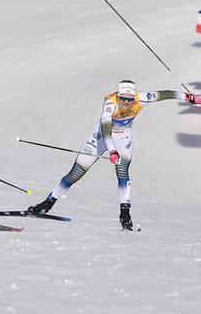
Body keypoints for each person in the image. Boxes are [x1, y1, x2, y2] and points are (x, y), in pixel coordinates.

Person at [27, 80, 201, 230]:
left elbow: (166, 94)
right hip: (102, 137)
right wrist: (112, 150)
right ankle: (48, 203)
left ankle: (125, 214)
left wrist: (190, 98)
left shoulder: (142, 98)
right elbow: (105, 128)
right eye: (123, 99)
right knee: (76, 173)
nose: (126, 103)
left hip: (123, 137)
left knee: (122, 171)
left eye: (129, 100)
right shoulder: (110, 103)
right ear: (118, 96)